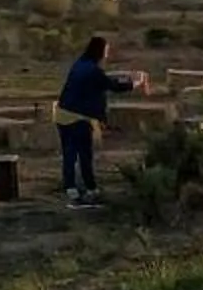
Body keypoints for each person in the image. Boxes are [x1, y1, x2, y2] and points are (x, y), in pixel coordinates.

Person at [54, 35, 141, 207]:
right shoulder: (93, 71)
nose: (107, 54)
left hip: (62, 114)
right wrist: (135, 83)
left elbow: (101, 82)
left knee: (69, 154)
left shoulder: (80, 64)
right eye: (106, 50)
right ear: (100, 51)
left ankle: (70, 186)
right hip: (78, 117)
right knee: (85, 154)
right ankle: (90, 188)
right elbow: (112, 85)